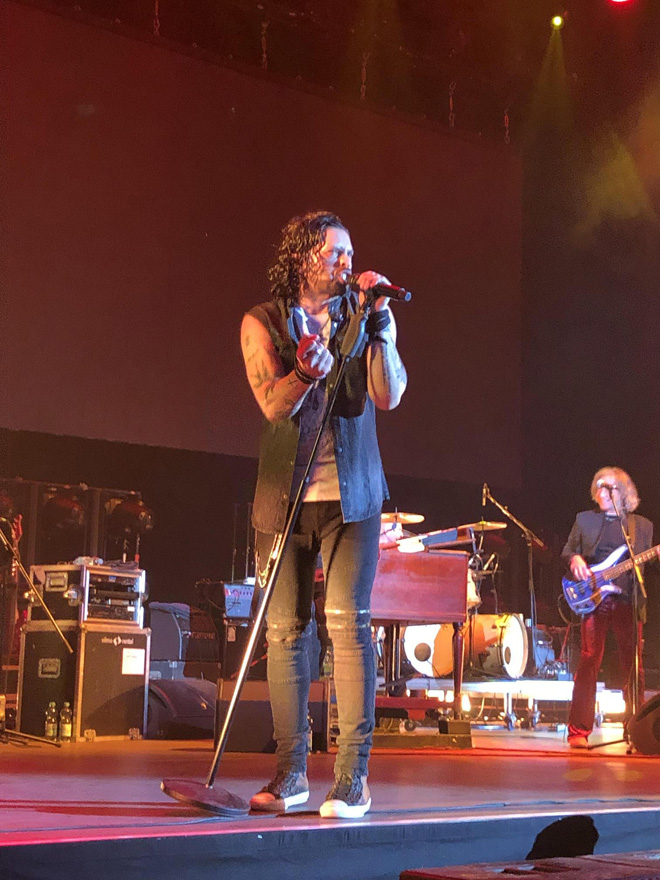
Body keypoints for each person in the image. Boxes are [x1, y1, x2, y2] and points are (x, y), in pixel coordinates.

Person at [240, 210, 407, 818]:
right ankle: (291, 774)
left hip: (352, 496)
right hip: (285, 497)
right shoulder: (263, 322)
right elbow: (272, 406)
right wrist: (306, 372)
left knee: (348, 625)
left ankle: (353, 778)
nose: (345, 262)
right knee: (285, 632)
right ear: (301, 256)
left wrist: (381, 329)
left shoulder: (366, 316)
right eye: (334, 252)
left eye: (350, 252)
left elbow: (388, 394)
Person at [562, 467, 654, 748]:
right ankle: (578, 731)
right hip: (593, 599)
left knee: (633, 666)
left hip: (628, 600)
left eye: (608, 487)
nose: (601, 492)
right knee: (589, 659)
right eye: (599, 486)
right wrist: (575, 559)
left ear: (623, 492)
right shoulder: (585, 520)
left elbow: (643, 563)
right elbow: (568, 550)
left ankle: (636, 729)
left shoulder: (642, 526)